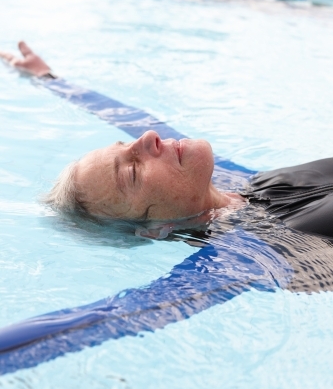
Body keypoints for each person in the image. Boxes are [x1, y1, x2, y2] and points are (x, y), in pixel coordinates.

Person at [1, 42, 333, 243]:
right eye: (132, 171)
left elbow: (130, 118)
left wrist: (50, 80)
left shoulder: (239, 185)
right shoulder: (275, 251)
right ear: (156, 229)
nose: (148, 139)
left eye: (125, 146)